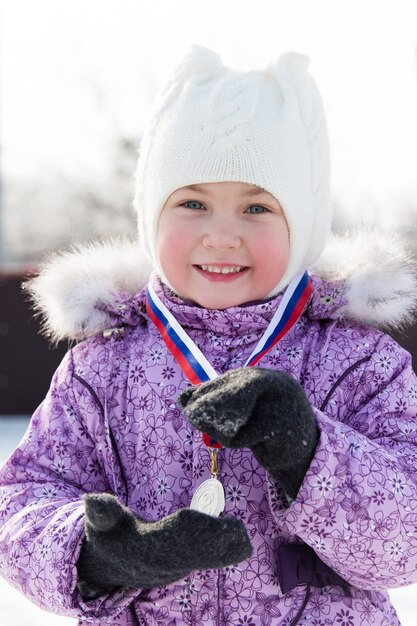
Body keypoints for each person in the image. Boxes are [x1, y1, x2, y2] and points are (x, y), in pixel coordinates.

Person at [1, 45, 417, 626]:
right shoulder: (101, 367)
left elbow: (407, 541)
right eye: (192, 203)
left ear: (303, 226)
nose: (221, 236)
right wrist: (100, 555)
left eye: (256, 208)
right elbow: (21, 504)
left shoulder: (359, 362)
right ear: (151, 216)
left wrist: (309, 449)